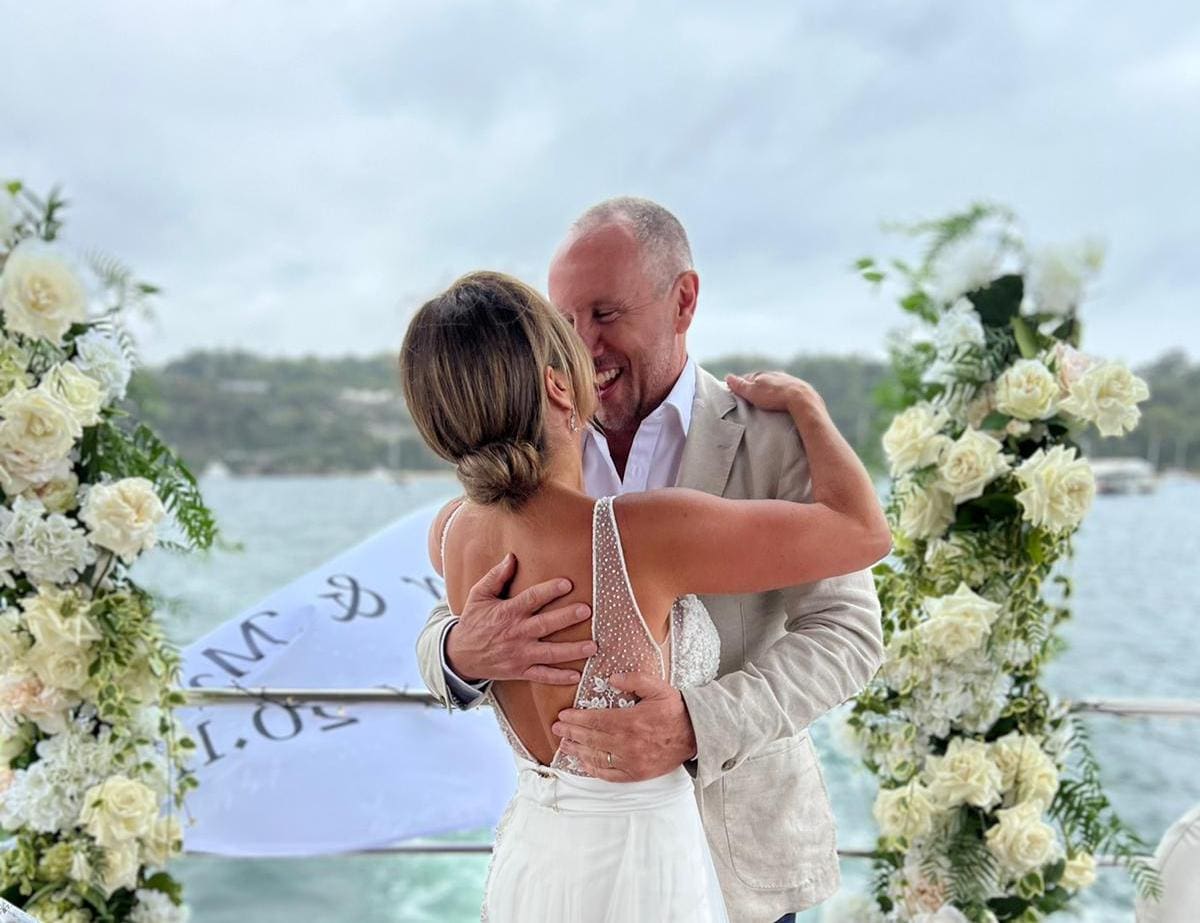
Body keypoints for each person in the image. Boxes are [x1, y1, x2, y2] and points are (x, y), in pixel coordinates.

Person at [402, 264, 890, 921]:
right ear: (556, 384)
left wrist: (699, 721)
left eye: (604, 314)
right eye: (570, 327)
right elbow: (863, 532)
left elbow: (846, 630)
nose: (589, 344)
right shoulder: (641, 532)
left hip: (537, 868)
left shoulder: (452, 531)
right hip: (643, 872)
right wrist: (808, 407)